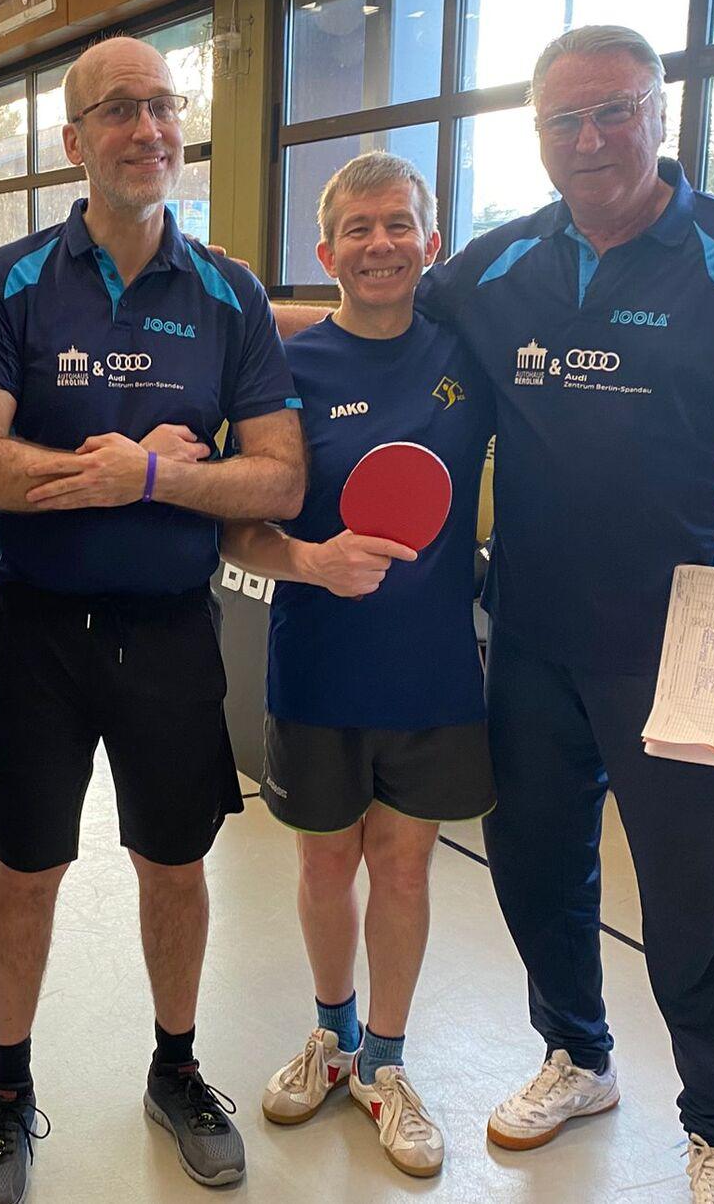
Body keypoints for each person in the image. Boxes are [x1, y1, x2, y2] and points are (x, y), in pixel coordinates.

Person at [277, 25, 714, 1203]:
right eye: (565, 120)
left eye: (616, 111)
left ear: (660, 113)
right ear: (537, 136)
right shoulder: (495, 270)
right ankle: (579, 1054)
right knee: (537, 869)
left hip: (703, 638)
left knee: (700, 895)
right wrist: (236, 360)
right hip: (534, 631)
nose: (592, 138)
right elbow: (365, 306)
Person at [0, 35, 305, 1204]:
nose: (148, 127)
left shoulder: (229, 291)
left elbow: (281, 480)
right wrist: (91, 471)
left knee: (175, 863)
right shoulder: (7, 281)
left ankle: (177, 1065)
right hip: (39, 629)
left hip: (170, 632)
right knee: (27, 866)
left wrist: (148, 480)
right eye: (118, 110)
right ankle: (7, 1087)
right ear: (73, 140)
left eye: (163, 105)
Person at [221, 151, 494, 1179]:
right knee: (325, 860)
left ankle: (386, 1059)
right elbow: (239, 533)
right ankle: (331, 1036)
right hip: (320, 668)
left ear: (431, 241)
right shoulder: (286, 373)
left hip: (432, 674)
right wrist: (310, 562)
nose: (381, 244)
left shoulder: (472, 353)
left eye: (400, 224)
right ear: (327, 249)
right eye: (359, 229)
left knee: (407, 863)